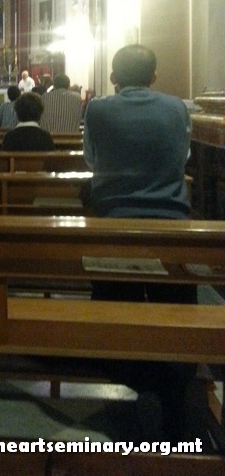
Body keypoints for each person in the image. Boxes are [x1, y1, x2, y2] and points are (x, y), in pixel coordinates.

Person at [82, 44, 210, 447]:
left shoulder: (98, 109)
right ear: (154, 77)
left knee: (116, 306)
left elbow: (91, 161)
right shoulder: (177, 108)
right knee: (175, 308)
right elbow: (183, 156)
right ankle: (174, 394)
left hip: (115, 223)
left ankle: (126, 388)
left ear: (113, 78)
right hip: (171, 223)